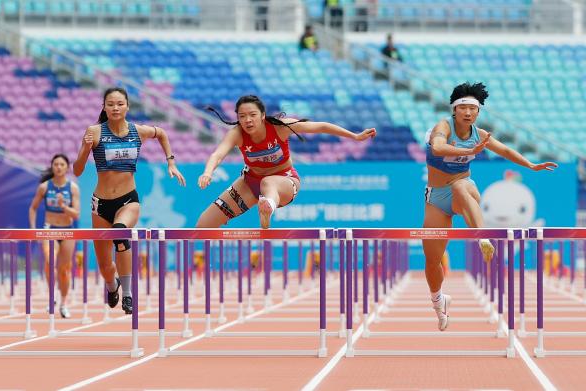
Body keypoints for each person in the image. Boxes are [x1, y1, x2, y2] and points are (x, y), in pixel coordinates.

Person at [423, 82, 557, 331]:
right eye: (462, 107)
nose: (467, 112)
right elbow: (438, 147)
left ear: (478, 112)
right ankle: (439, 301)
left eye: (472, 108)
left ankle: (483, 238)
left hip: (464, 189)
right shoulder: (444, 126)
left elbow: (505, 149)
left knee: (461, 186)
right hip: (436, 198)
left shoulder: (479, 133)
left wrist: (531, 165)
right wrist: (469, 149)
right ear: (454, 110)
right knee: (432, 261)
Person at [73, 87, 185, 314]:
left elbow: (162, 133)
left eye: (120, 104)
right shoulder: (94, 132)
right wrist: (85, 148)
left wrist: (171, 162)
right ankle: (112, 285)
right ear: (104, 106)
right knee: (105, 265)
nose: (115, 108)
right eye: (111, 104)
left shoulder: (138, 131)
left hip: (128, 201)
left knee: (120, 234)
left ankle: (127, 294)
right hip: (100, 204)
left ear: (127, 106)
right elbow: (77, 170)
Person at [196, 95, 376, 229]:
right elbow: (217, 154)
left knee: (268, 183)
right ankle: (200, 269)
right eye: (242, 116)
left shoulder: (280, 127)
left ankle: (268, 208)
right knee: (202, 225)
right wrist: (207, 172)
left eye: (252, 115)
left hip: (284, 181)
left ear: (262, 115)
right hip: (250, 182)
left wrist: (354, 136)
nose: (247, 120)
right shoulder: (237, 133)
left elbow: (320, 126)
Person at [28, 154, 80, 318]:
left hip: (67, 229)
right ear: (52, 167)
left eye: (62, 164)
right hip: (49, 229)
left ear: (66, 168)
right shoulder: (44, 187)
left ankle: (63, 303)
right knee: (50, 262)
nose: (58, 167)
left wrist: (63, 206)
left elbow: (76, 214)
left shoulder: (73, 188)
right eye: (56, 164)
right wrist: (33, 229)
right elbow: (33, 208)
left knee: (64, 271)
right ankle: (52, 297)